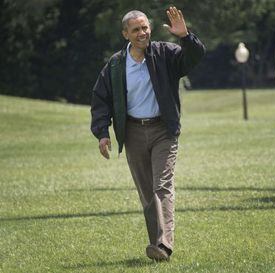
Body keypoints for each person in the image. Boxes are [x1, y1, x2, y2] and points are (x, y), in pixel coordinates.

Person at [90, 6, 205, 261]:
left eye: (145, 27)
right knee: (146, 192)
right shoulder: (116, 65)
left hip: (164, 130)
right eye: (136, 29)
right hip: (132, 132)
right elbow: (101, 100)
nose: (142, 32)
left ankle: (163, 245)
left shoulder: (165, 54)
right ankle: (157, 245)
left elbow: (194, 58)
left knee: (161, 186)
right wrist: (102, 133)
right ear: (125, 34)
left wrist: (185, 37)